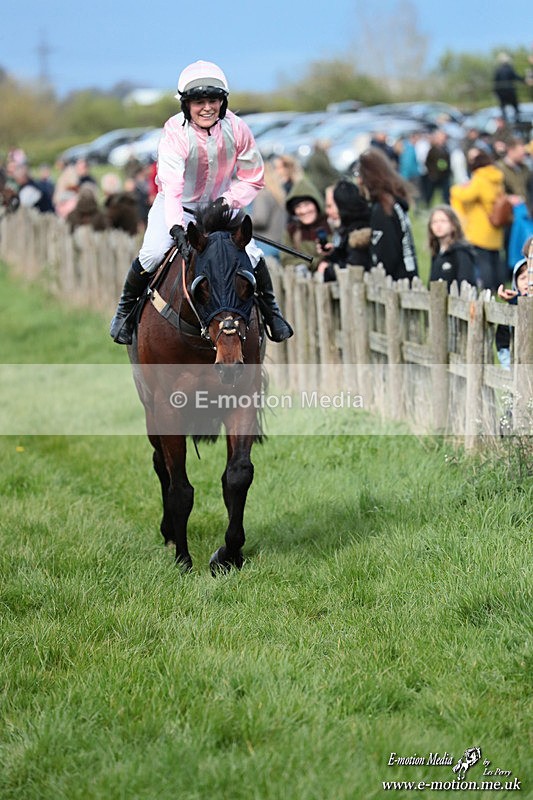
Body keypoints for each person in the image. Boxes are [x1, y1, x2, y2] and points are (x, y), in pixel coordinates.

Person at [110, 60, 292, 344]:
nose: (207, 107)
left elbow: (253, 177)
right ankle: (124, 313)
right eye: (199, 102)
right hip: (177, 206)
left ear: (223, 102)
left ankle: (272, 314)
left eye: (213, 100)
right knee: (152, 253)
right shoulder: (174, 132)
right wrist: (176, 229)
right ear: (186, 105)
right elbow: (171, 187)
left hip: (221, 209)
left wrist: (227, 201)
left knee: (253, 255)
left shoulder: (238, 128)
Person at [356, 147, 418, 281]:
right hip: (408, 279)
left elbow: (386, 257)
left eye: (359, 175)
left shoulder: (383, 210)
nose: (358, 181)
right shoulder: (394, 202)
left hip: (395, 286)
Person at [450, 149, 505, 290]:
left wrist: (455, 190)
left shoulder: (480, 179)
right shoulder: (496, 178)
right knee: (495, 259)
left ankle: (488, 289)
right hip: (495, 226)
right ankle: (499, 286)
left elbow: (466, 195)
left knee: (483, 261)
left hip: (481, 227)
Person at [316, 178, 371, 281]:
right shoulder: (349, 228)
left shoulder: (360, 232)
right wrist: (333, 253)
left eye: (330, 206)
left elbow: (354, 269)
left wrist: (328, 271)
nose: (327, 211)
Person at [279, 176, 330, 276]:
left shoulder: (330, 226)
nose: (303, 211)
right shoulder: (291, 230)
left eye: (307, 204)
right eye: (298, 207)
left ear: (316, 204)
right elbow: (286, 260)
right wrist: (315, 263)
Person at [495, 252, 531, 368]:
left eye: (530, 277)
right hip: (518, 366)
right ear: (515, 283)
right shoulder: (511, 307)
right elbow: (502, 341)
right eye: (522, 278)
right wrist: (507, 367)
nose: (527, 282)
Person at [427, 205, 476, 288]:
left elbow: (466, 283)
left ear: (453, 225)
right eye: (434, 222)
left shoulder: (461, 252)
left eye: (443, 221)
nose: (438, 225)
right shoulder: (436, 252)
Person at [249, 158, 287, 260]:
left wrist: (242, 220)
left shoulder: (262, 194)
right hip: (278, 243)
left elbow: (260, 220)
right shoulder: (277, 192)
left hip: (265, 245)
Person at [493, 52, 524, 125]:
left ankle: (506, 121)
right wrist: (524, 80)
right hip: (510, 91)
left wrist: (495, 92)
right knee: (515, 106)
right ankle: (517, 120)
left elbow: (495, 82)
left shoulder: (498, 70)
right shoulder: (509, 69)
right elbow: (516, 77)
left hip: (502, 93)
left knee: (503, 108)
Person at [424, 129, 451, 205]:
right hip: (434, 175)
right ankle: (427, 204)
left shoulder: (446, 149)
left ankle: (447, 204)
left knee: (446, 193)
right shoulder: (432, 149)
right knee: (430, 192)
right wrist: (431, 172)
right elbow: (427, 162)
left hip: (444, 175)